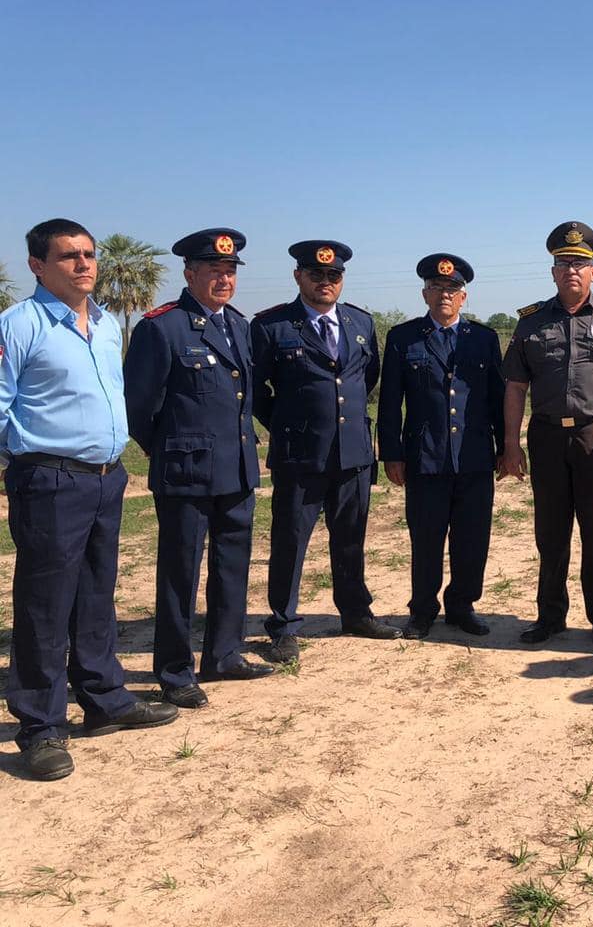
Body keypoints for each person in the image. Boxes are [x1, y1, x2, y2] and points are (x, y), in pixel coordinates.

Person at [1, 219, 178, 781]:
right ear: (37, 265)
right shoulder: (20, 325)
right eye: (68, 257)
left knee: (97, 593)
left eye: (89, 255)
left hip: (106, 477)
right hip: (49, 477)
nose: (83, 265)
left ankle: (105, 700)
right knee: (45, 604)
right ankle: (40, 725)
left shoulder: (104, 326)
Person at [124, 228, 274, 710]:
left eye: (229, 271)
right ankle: (173, 670)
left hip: (236, 469)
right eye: (214, 270)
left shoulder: (239, 325)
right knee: (180, 572)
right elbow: (138, 407)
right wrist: (167, 448)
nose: (224, 279)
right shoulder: (162, 326)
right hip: (186, 472)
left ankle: (224, 654)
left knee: (232, 565)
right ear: (189, 274)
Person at [250, 240, 400, 666]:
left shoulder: (360, 322)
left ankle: (355, 612)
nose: (325, 282)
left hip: (352, 452)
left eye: (333, 276)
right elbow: (258, 391)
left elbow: (364, 378)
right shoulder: (272, 326)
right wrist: (287, 424)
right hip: (300, 454)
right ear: (299, 276)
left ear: (342, 280)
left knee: (351, 538)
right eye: (316, 275)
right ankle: (283, 626)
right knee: (290, 541)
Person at [499, 221, 593, 648]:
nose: (572, 271)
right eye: (564, 263)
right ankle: (550, 617)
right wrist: (511, 443)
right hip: (546, 437)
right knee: (550, 532)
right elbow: (515, 386)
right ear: (552, 271)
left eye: (581, 264)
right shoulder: (530, 323)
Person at [378, 253, 504, 638]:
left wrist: (505, 448)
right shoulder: (404, 338)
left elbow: (497, 398)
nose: (444, 295)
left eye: (452, 289)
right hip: (425, 457)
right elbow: (389, 403)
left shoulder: (483, 339)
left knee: (471, 538)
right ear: (425, 294)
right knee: (427, 539)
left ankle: (463, 605)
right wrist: (392, 454)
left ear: (463, 297)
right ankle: (422, 610)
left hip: (474, 456)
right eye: (437, 288)